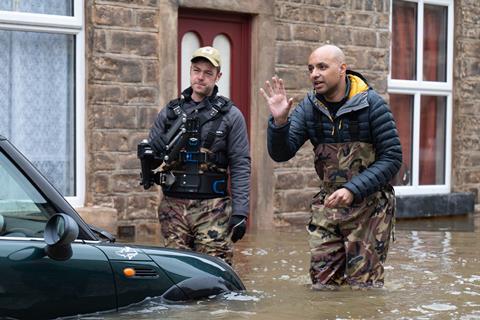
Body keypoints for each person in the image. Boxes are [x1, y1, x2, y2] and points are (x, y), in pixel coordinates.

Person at [260, 44, 402, 289]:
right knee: (322, 286)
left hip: (369, 208)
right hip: (329, 205)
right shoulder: (309, 107)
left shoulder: (372, 105)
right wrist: (279, 122)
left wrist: (352, 189)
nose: (314, 73)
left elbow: (392, 159)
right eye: (311, 68)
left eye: (322, 67)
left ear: (342, 69)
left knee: (363, 288)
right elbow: (281, 153)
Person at [147, 46, 250, 265]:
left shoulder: (231, 115)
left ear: (218, 76)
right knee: (176, 271)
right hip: (173, 206)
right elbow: (153, 161)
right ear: (190, 71)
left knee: (214, 273)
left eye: (207, 73)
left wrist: (241, 212)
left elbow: (241, 164)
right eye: (196, 70)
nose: (200, 77)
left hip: (213, 208)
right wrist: (152, 153)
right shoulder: (170, 112)